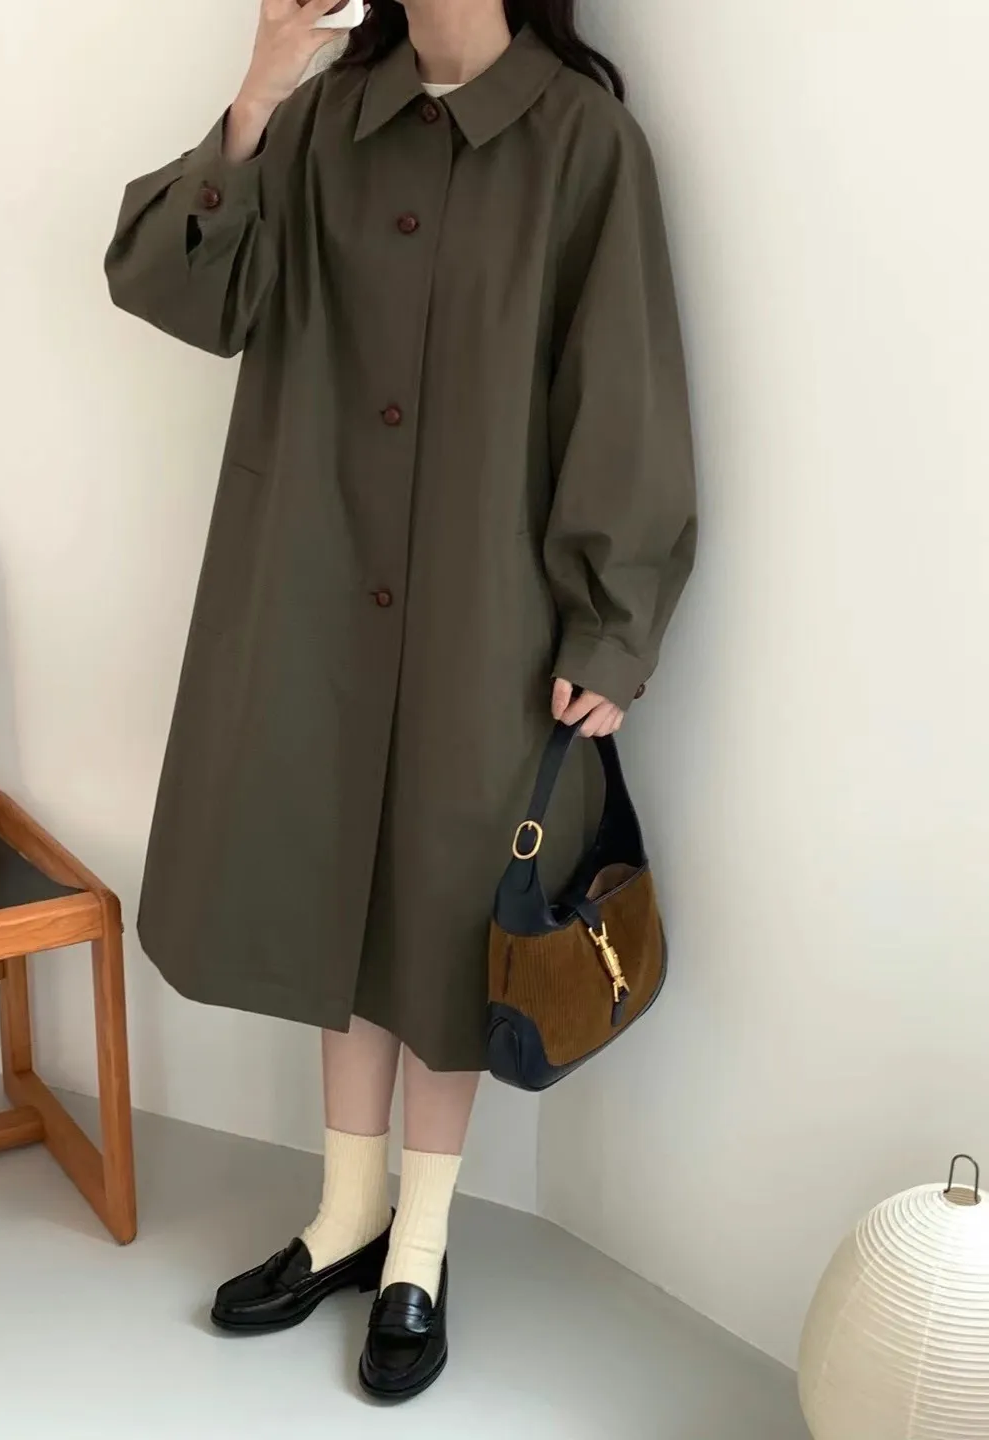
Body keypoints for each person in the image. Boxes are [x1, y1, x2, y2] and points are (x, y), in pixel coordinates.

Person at [105, 0, 696, 1403]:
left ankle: (417, 1246)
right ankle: (345, 1213)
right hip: (313, 589)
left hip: (490, 614)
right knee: (337, 897)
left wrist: (611, 627)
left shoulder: (583, 143)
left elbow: (622, 393)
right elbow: (178, 288)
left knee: (443, 915)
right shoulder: (321, 122)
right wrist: (259, 87)